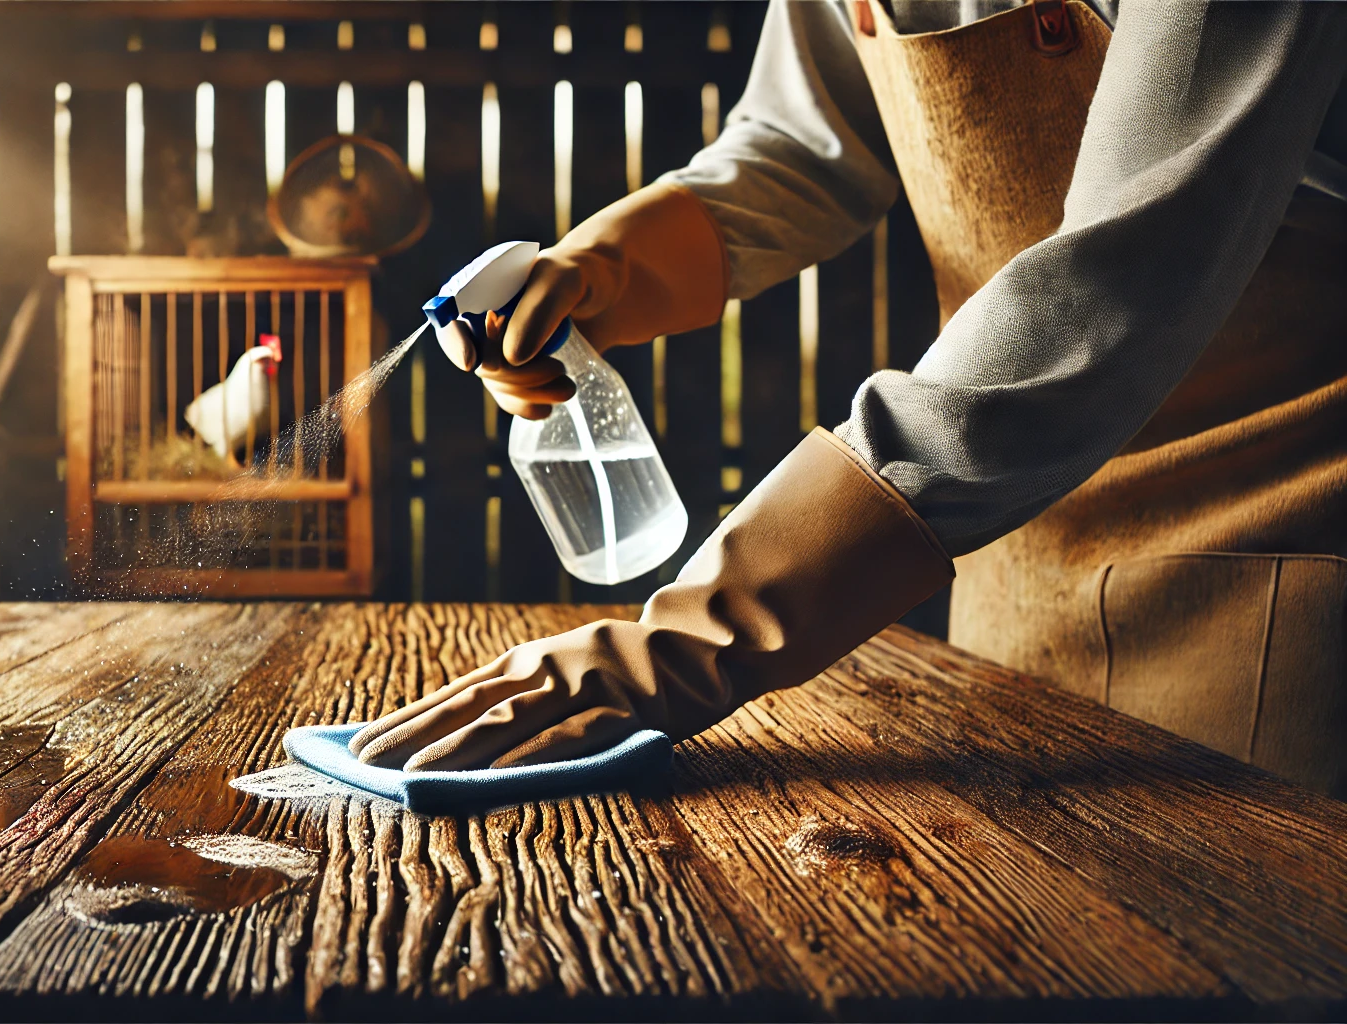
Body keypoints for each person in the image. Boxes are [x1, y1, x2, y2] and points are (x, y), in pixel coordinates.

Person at [351, 0, 1347, 796]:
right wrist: (609, 267)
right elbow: (800, 148)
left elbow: (1120, 279)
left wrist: (698, 634)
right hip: (1008, 573)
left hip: (1264, 587)